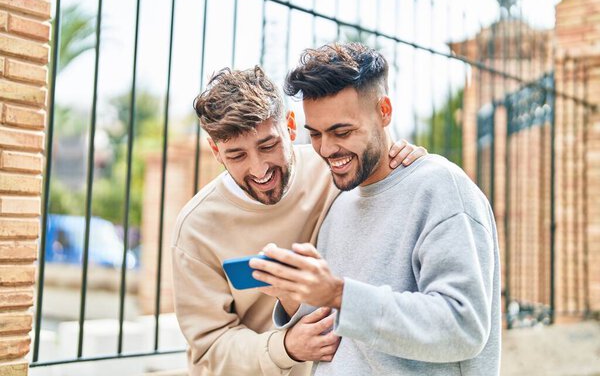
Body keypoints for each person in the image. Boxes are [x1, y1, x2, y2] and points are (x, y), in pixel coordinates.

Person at [249, 43, 501, 376]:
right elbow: (348, 332)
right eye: (315, 134)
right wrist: (293, 296)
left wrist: (340, 294)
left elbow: (463, 326)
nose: (326, 148)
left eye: (342, 131)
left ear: (384, 111)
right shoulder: (339, 203)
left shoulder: (440, 188)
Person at [171, 65, 427, 375]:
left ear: (290, 126)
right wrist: (286, 347)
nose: (259, 169)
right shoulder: (196, 229)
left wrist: (401, 158)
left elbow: (377, 164)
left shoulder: (334, 171)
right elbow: (209, 347)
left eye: (268, 145)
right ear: (215, 150)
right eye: (237, 155)